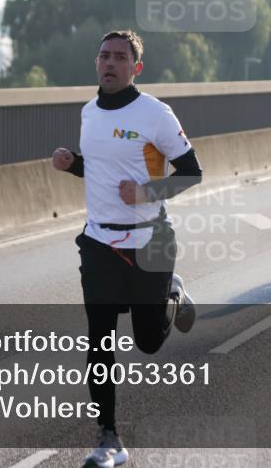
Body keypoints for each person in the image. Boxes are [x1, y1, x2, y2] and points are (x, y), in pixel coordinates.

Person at [52, 30, 200, 468]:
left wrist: (147, 192)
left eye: (120, 57)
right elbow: (99, 169)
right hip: (99, 241)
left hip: (149, 240)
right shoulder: (89, 112)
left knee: (149, 342)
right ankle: (108, 437)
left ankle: (171, 293)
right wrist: (72, 164)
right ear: (96, 64)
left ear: (136, 67)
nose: (110, 63)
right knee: (100, 340)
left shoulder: (155, 114)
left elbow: (191, 172)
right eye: (104, 56)